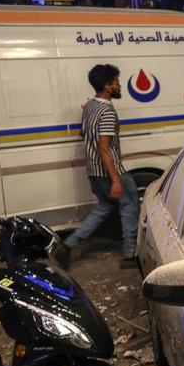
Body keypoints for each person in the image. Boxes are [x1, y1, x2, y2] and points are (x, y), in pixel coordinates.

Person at [58, 65, 140, 267]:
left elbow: (83, 135)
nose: (119, 85)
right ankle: (130, 254)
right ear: (107, 86)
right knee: (130, 206)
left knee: (103, 208)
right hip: (109, 170)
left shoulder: (89, 107)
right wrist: (116, 180)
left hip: (93, 170)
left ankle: (67, 245)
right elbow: (104, 148)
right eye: (116, 82)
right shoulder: (107, 111)